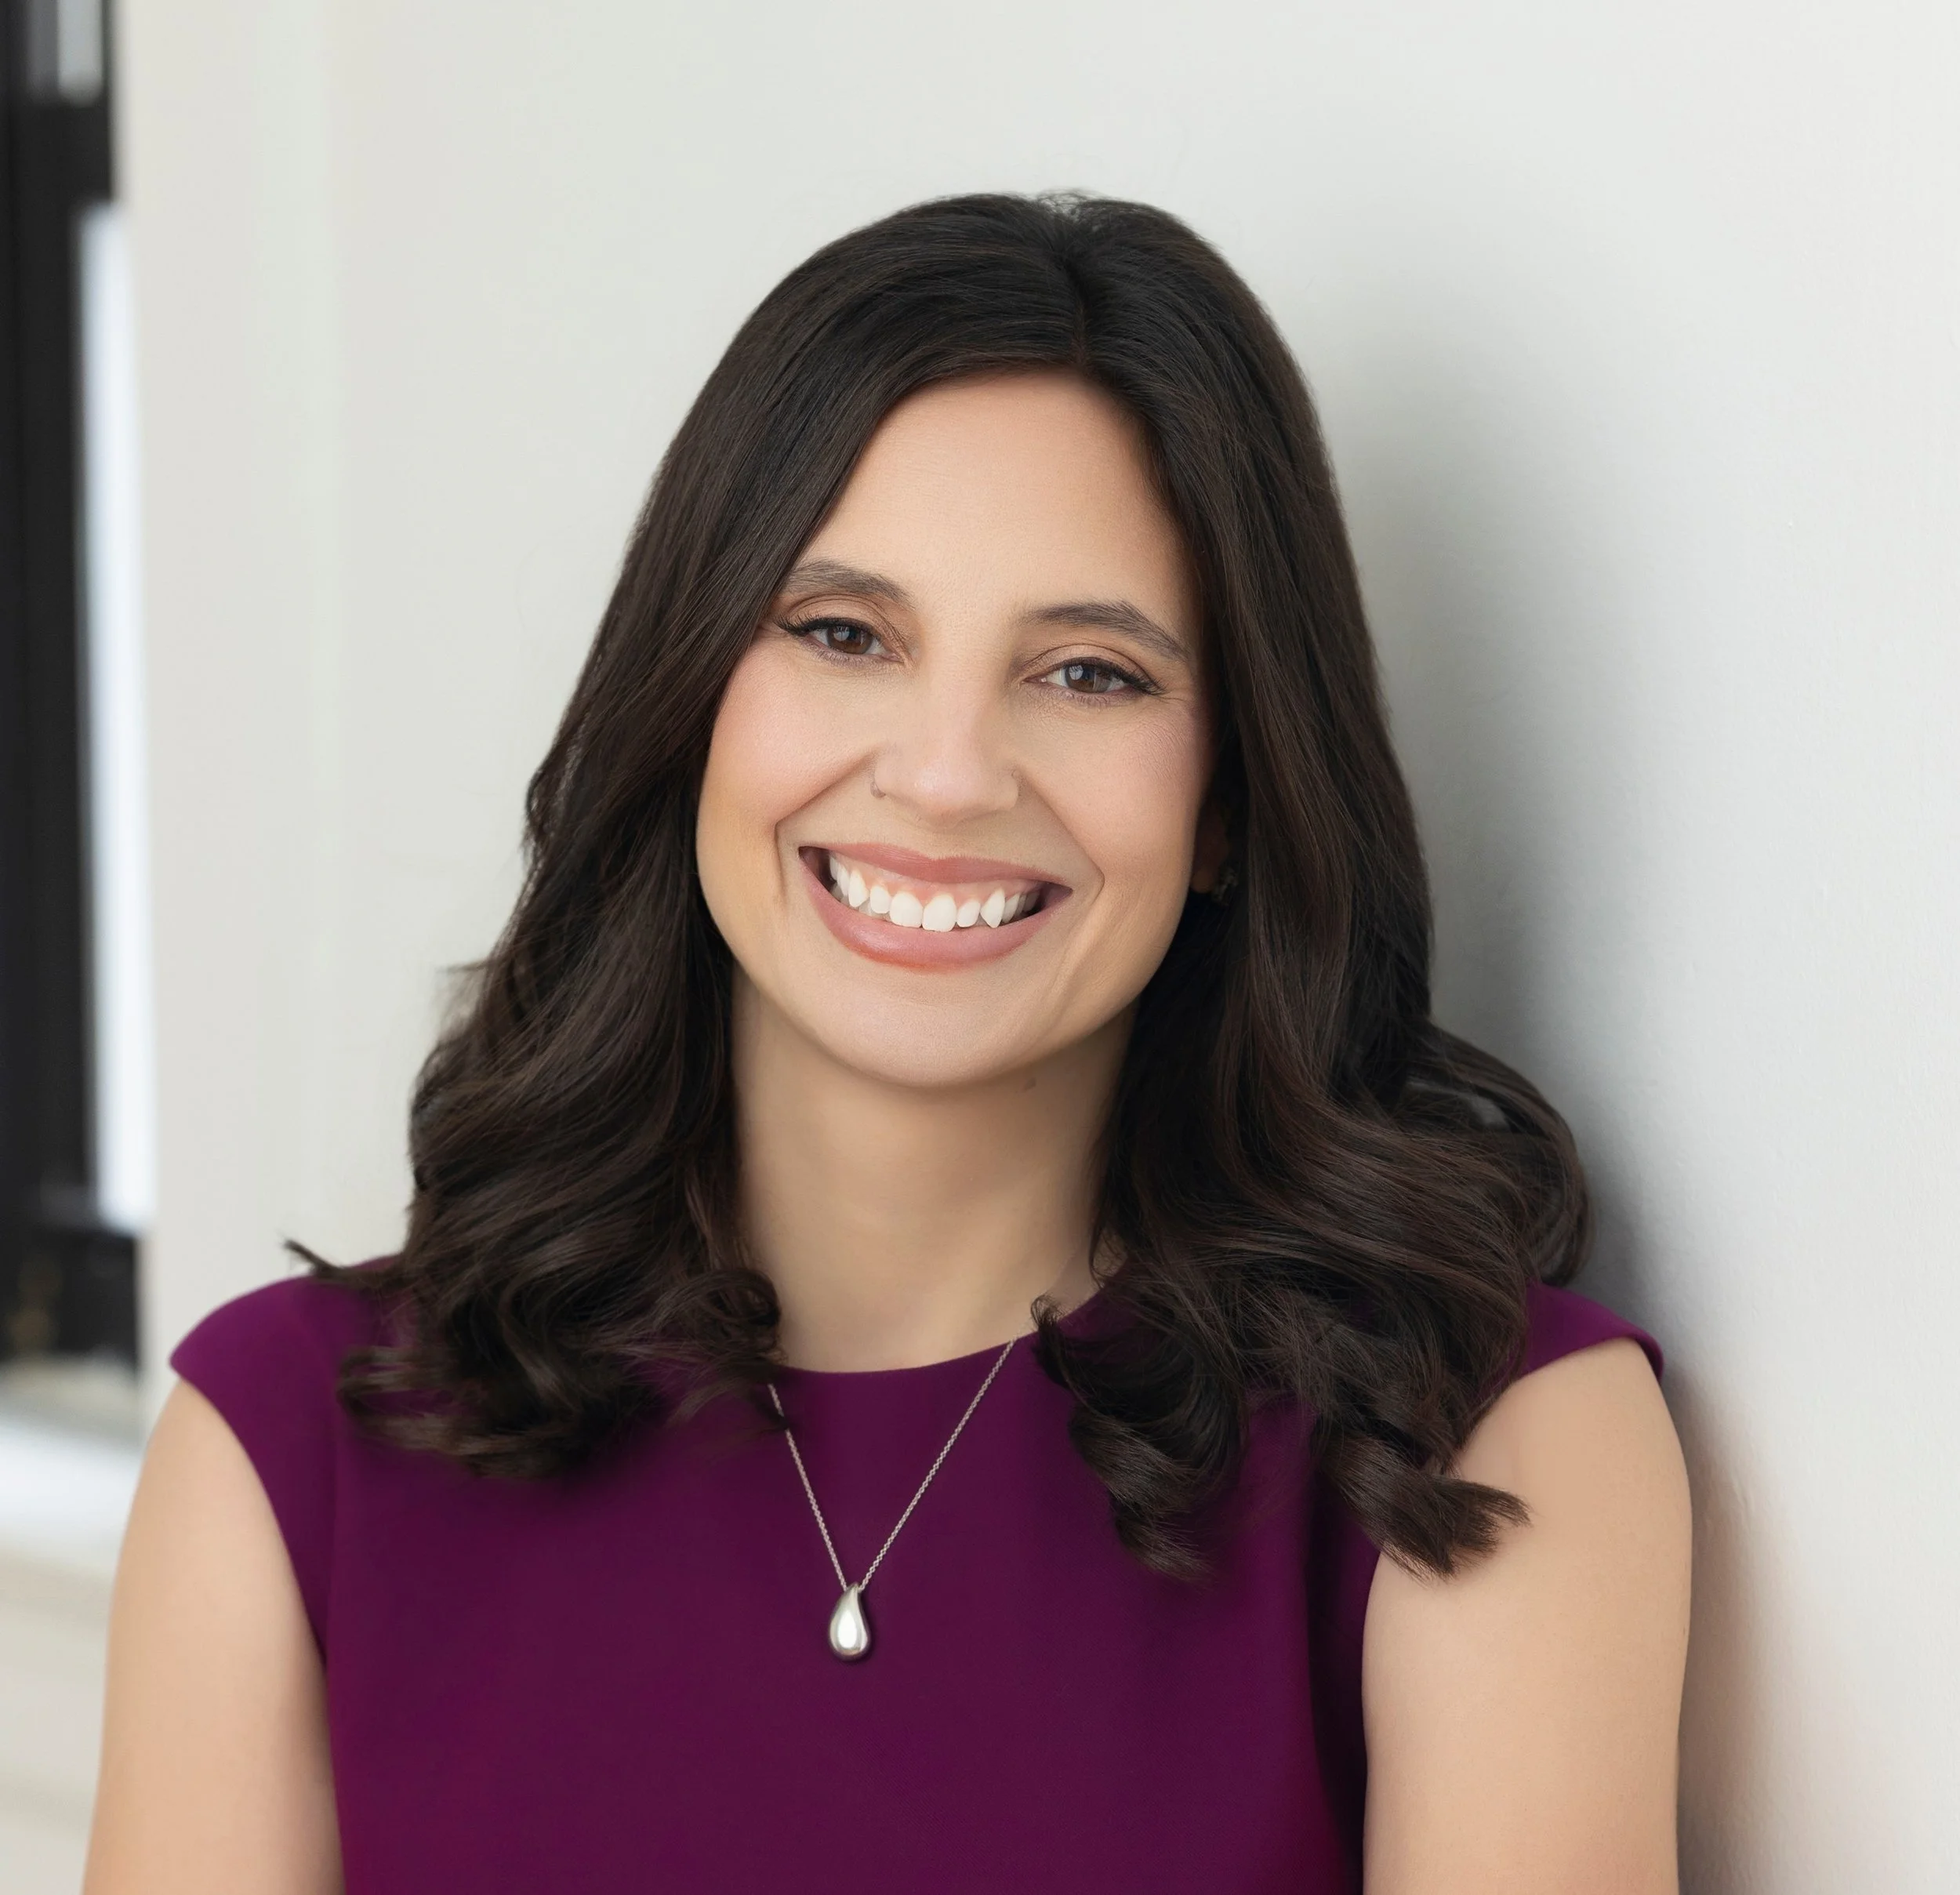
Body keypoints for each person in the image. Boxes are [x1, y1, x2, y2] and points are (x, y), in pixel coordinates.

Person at [85, 193, 1690, 1894]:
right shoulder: (290, 1453)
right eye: (844, 634)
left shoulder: (1477, 1440)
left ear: (1227, 801)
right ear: (692, 693)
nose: (942, 773)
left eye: (1086, 672)